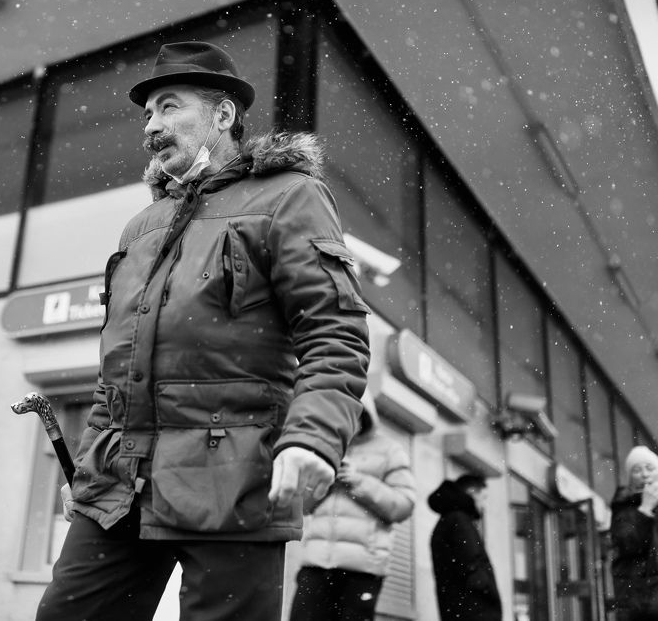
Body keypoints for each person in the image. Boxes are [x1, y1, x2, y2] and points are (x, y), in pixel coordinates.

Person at [35, 41, 371, 621]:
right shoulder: (141, 227)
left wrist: (313, 438)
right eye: (148, 114)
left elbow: (333, 332)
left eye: (169, 107)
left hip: (235, 478)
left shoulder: (289, 196)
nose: (152, 126)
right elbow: (116, 373)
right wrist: (90, 466)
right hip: (117, 484)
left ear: (223, 115)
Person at [289, 390, 415, 621]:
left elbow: (403, 506)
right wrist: (326, 482)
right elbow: (303, 506)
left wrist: (358, 482)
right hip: (316, 564)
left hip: (362, 569)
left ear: (364, 414)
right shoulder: (322, 447)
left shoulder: (390, 450)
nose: (343, 420)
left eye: (350, 413)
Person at [428, 474, 501, 621]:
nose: (484, 505)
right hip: (474, 611)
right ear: (472, 492)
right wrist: (488, 592)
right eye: (483, 498)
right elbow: (471, 563)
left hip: (459, 609)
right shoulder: (459, 520)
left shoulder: (449, 520)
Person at [609, 445, 658, 620]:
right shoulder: (623, 507)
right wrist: (645, 509)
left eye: (650, 468)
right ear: (630, 479)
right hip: (640, 605)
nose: (645, 474)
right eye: (637, 470)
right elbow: (627, 543)